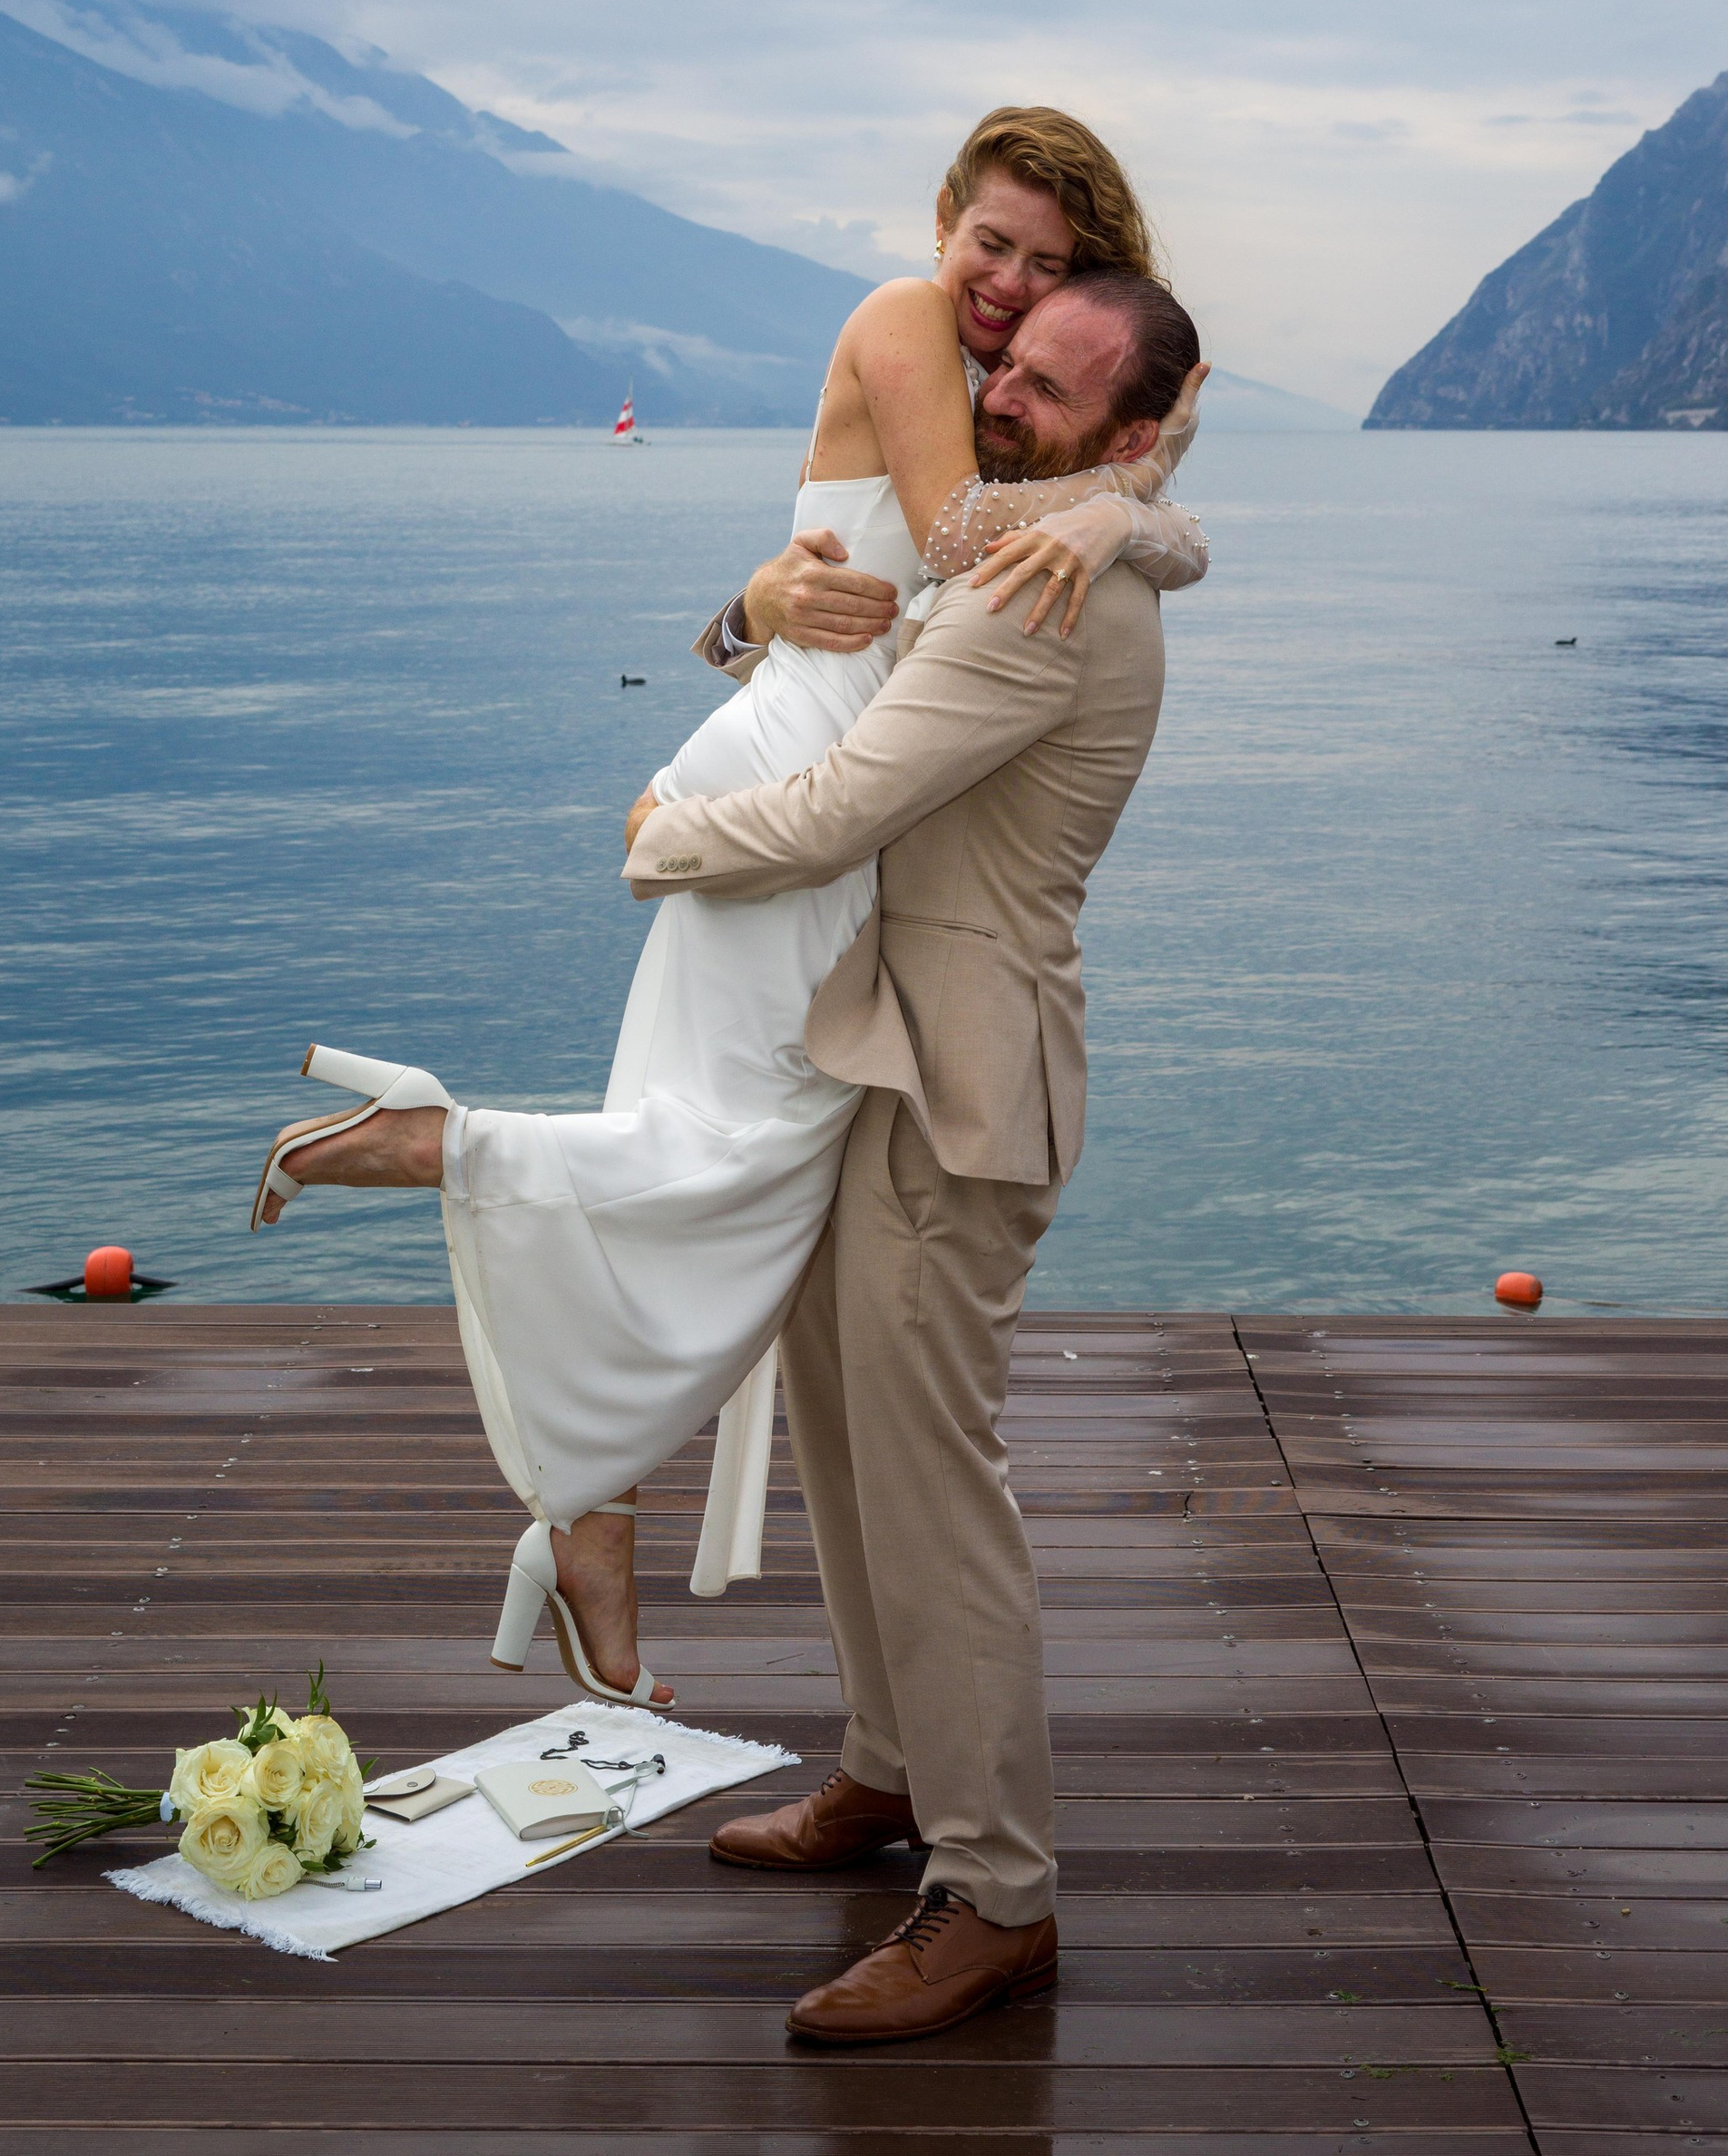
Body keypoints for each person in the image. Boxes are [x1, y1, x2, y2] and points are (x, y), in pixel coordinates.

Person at [245, 107, 1206, 1720]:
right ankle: (449, 1153)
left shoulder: (1024, 390)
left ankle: (589, 1511)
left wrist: (1124, 513)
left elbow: (899, 562)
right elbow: (962, 539)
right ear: (944, 220)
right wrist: (1139, 514)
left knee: (728, 1148)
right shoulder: (908, 326)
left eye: (1047, 269)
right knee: (745, 1159)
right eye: (990, 243)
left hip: (820, 768)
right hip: (803, 791)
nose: (1003, 287)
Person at [626, 263, 1204, 2042]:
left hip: (965, 1082)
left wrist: (658, 833)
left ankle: (994, 1889)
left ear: (1126, 438)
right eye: (1005, 366)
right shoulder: (1043, 539)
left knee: (930, 1472)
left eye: (1051, 388)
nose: (1004, 393)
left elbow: (839, 811)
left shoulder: (1040, 589)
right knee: (842, 1427)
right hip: (878, 1050)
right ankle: (887, 1772)